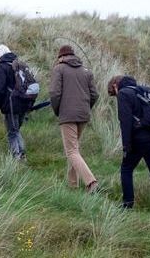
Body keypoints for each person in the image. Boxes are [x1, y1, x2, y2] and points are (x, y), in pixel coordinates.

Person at [108, 75, 150, 215]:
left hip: (139, 140)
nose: (115, 95)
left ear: (116, 85)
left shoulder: (123, 94)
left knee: (126, 169)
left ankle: (127, 204)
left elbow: (125, 122)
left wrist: (126, 146)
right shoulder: (145, 91)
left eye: (113, 92)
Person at [49, 45, 99, 193]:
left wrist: (58, 110)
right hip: (83, 115)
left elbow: (54, 93)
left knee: (71, 151)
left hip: (68, 115)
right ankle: (73, 185)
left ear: (61, 57)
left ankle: (91, 182)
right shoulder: (86, 71)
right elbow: (94, 94)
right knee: (74, 149)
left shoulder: (59, 69)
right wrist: (85, 107)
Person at [0, 44, 30, 161]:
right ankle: (22, 155)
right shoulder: (21, 64)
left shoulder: (2, 67)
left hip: (11, 103)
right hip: (24, 102)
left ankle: (16, 157)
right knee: (16, 130)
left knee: (12, 132)